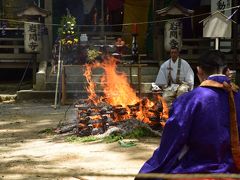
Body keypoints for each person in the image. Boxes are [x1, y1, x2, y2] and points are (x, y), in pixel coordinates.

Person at [136, 50, 240, 180]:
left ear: (199, 71)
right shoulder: (236, 96)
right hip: (233, 169)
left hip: (197, 170)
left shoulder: (190, 100)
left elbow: (172, 142)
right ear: (227, 71)